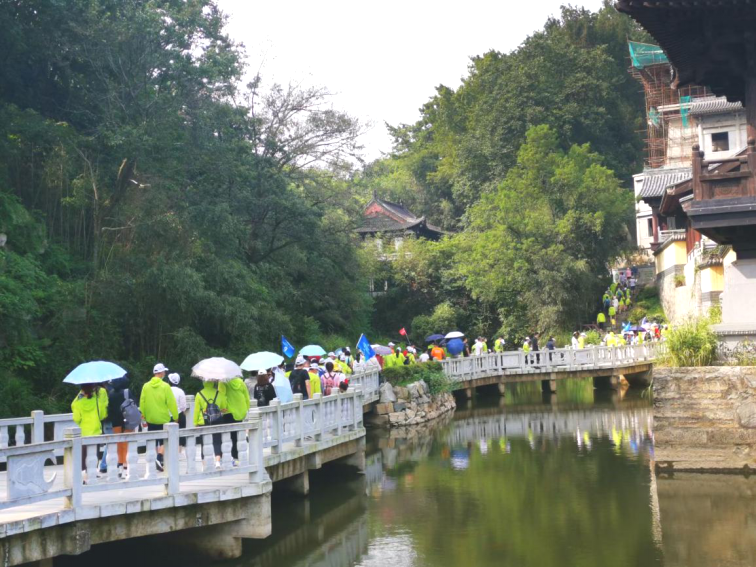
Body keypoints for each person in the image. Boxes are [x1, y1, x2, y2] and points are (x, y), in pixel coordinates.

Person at [140, 363, 179, 471]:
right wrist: (176, 416)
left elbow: (142, 403)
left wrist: (144, 416)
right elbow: (171, 403)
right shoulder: (165, 386)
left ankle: (153, 464)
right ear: (161, 373)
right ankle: (159, 457)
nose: (165, 373)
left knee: (152, 441)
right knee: (164, 441)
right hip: (163, 419)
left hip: (150, 418)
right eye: (164, 372)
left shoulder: (146, 386)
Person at [100, 377, 133, 475]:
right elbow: (134, 403)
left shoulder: (111, 394)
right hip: (127, 420)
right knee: (126, 444)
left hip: (115, 422)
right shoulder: (127, 392)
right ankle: (126, 466)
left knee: (119, 445)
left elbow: (109, 408)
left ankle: (120, 466)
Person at [194, 380, 227, 464]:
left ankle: (204, 464)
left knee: (203, 443)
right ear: (213, 383)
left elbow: (196, 410)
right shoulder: (218, 393)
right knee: (217, 441)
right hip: (217, 419)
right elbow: (224, 406)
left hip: (204, 421)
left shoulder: (199, 394)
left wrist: (195, 422)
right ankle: (217, 461)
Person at [220, 372, 250, 462]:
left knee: (225, 435)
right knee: (236, 436)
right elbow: (246, 397)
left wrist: (222, 407)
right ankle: (236, 456)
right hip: (240, 412)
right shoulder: (241, 382)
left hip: (228, 412)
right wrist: (246, 409)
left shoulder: (223, 382)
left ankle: (224, 457)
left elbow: (222, 396)